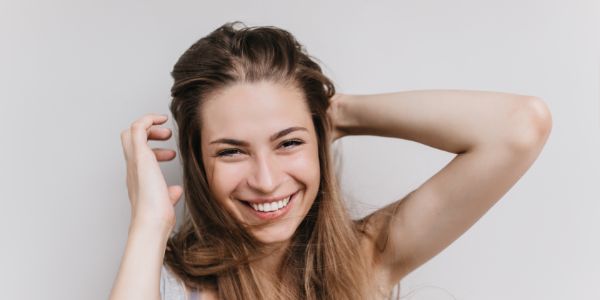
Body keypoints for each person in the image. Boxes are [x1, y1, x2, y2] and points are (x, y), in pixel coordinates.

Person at [109, 21, 552, 300]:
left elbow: (519, 126)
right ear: (199, 163)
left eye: (288, 143)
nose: (266, 180)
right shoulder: (167, 286)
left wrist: (337, 113)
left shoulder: (367, 259)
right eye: (231, 151)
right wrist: (148, 221)